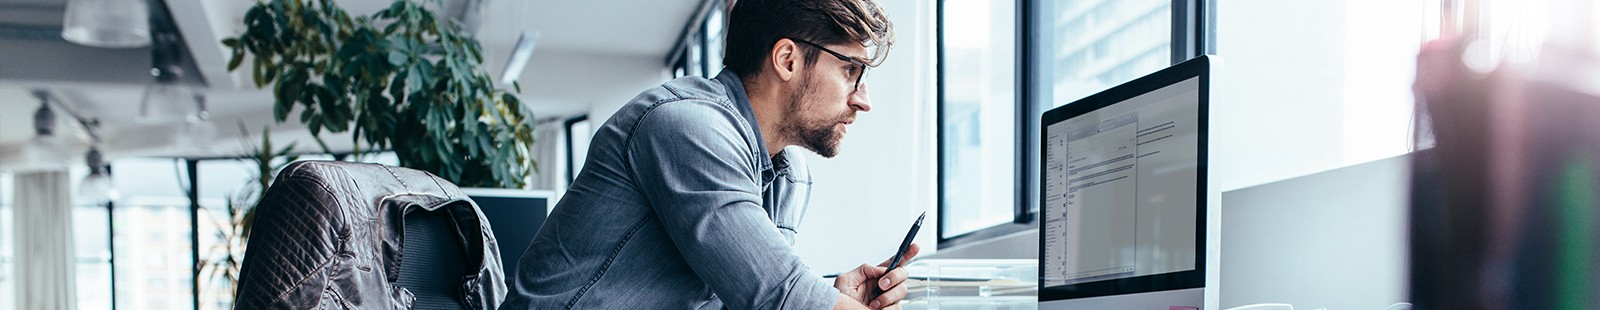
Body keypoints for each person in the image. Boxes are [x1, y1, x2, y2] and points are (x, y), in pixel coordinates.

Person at [497, 0, 917, 309]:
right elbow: (776, 293)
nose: (864, 101)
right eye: (851, 70)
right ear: (787, 59)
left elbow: (757, 293)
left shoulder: (789, 173)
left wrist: (834, 298)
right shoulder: (686, 127)